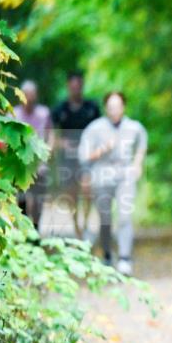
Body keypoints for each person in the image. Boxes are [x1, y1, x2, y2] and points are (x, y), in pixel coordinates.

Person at [78, 91, 147, 276]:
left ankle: (125, 258)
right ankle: (107, 254)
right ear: (105, 108)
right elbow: (83, 155)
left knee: (124, 216)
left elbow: (142, 143)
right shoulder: (94, 128)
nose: (114, 110)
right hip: (102, 175)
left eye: (117, 106)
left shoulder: (134, 127)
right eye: (110, 107)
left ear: (123, 107)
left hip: (125, 175)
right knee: (105, 219)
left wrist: (137, 163)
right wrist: (101, 150)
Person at [51, 70, 101, 240]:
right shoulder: (60, 109)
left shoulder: (92, 108)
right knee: (71, 195)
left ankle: (86, 224)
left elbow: (101, 131)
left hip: (88, 157)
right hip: (67, 158)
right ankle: (77, 228)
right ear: (68, 87)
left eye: (78, 86)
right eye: (73, 87)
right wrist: (60, 144)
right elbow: (51, 137)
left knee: (88, 190)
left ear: (82, 86)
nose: (76, 90)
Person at [13, 80, 54, 229]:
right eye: (26, 95)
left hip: (39, 167)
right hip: (20, 167)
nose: (29, 99)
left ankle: (35, 234)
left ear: (36, 96)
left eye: (32, 95)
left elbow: (51, 134)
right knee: (21, 201)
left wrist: (48, 151)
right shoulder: (14, 114)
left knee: (38, 202)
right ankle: (24, 233)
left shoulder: (44, 113)